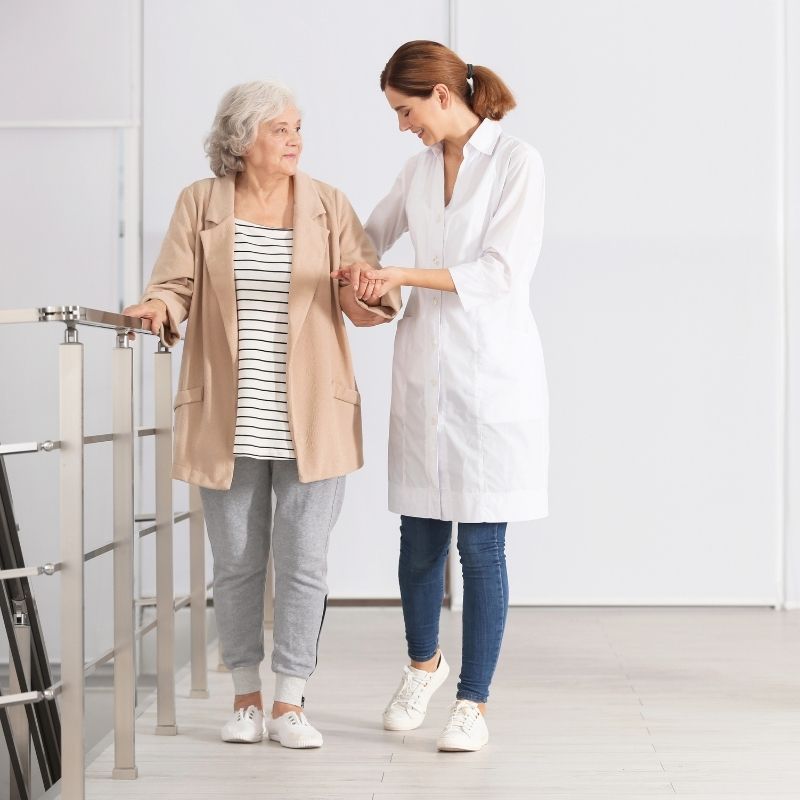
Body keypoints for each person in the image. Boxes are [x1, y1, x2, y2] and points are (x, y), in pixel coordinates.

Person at [124, 80, 399, 749]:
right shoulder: (201, 202)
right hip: (230, 414)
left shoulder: (328, 204)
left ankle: (290, 702)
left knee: (304, 562)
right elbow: (176, 283)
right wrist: (157, 307)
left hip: (313, 415)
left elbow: (367, 294)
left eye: (298, 127)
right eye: (281, 129)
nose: (295, 140)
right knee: (238, 564)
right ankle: (245, 698)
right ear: (241, 138)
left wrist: (362, 293)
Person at [333, 40, 548, 752]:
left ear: (443, 96)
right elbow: (369, 236)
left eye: (406, 111)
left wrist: (400, 276)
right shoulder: (419, 170)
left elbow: (499, 271)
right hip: (424, 371)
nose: (403, 126)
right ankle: (423, 666)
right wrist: (360, 277)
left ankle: (472, 703)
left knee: (482, 545)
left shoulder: (515, 162)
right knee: (421, 536)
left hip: (492, 379)